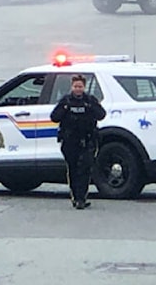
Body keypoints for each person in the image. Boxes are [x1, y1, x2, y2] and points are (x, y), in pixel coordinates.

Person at [50, 74, 106, 209]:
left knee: (84, 169)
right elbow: (54, 117)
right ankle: (75, 197)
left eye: (80, 86)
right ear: (72, 87)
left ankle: (82, 198)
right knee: (73, 169)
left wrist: (92, 107)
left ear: (84, 87)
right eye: (75, 86)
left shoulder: (90, 100)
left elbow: (101, 115)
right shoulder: (66, 101)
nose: (78, 89)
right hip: (70, 141)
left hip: (87, 140)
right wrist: (64, 109)